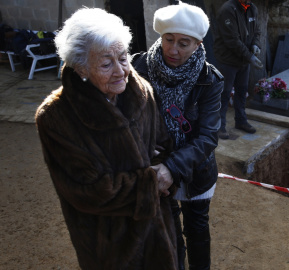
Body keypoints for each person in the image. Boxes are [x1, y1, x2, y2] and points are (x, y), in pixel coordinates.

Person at [35, 8, 178, 270]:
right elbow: (87, 190)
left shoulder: (142, 92)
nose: (121, 71)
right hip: (109, 244)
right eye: (105, 63)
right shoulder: (56, 117)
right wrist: (150, 184)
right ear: (81, 69)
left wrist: (168, 169)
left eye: (123, 58)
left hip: (158, 230)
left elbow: (163, 144)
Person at [132, 2, 223, 270]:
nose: (173, 50)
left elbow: (208, 137)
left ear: (198, 43)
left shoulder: (210, 79)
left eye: (184, 43)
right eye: (168, 39)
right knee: (168, 231)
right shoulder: (139, 68)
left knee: (196, 229)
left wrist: (172, 167)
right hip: (155, 167)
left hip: (196, 169)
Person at [213, 0, 263, 139]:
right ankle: (219, 126)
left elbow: (257, 31)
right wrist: (250, 57)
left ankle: (241, 121)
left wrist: (255, 45)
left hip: (243, 60)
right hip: (227, 60)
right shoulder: (228, 10)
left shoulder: (252, 8)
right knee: (224, 93)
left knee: (242, 91)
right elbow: (232, 40)